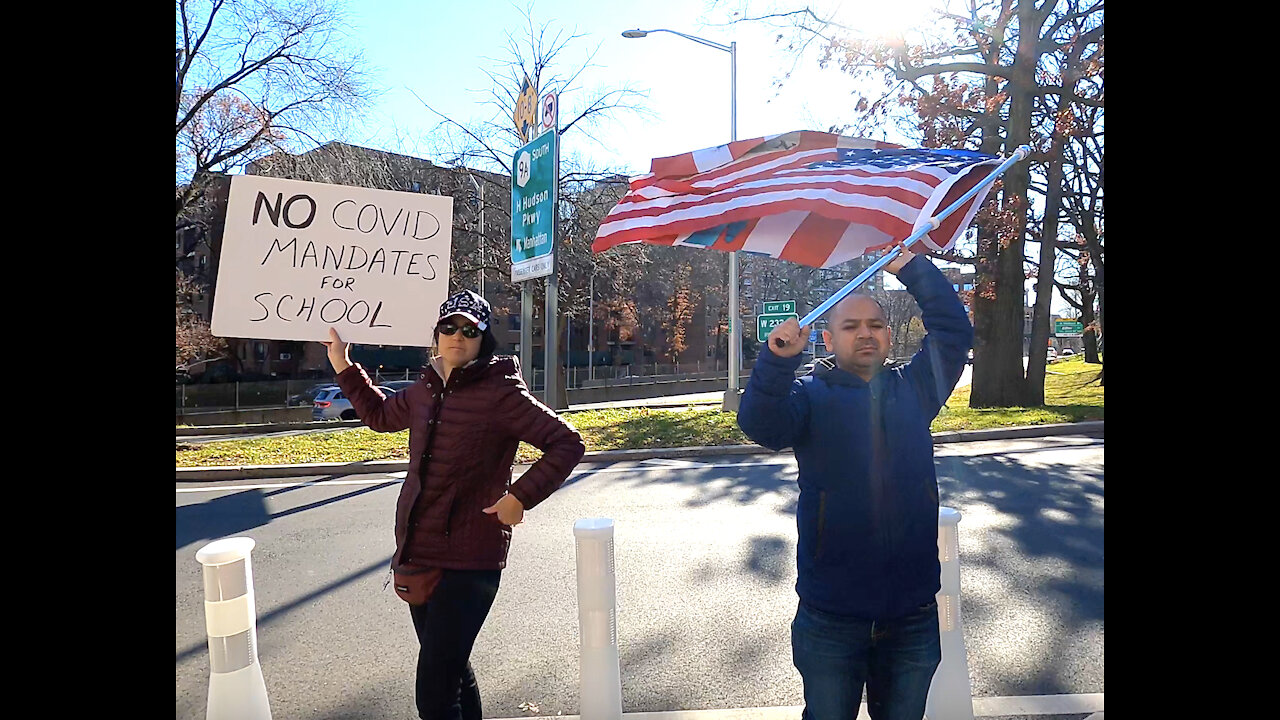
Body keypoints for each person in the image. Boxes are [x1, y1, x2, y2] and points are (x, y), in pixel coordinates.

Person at [320, 289, 585, 720]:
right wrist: (343, 365)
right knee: (452, 671)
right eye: (449, 327)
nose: (457, 336)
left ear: (484, 338)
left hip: (470, 556)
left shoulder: (500, 392)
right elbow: (381, 415)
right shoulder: (425, 388)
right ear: (437, 334)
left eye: (469, 330)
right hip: (418, 549)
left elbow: (567, 442)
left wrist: (520, 497)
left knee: (435, 694)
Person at [736, 246, 973, 720]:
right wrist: (777, 364)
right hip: (831, 615)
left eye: (875, 325)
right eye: (851, 326)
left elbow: (953, 331)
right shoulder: (808, 396)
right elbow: (762, 426)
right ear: (827, 338)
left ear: (888, 335)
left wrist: (910, 268)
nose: (865, 334)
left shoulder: (916, 388)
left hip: (912, 611)